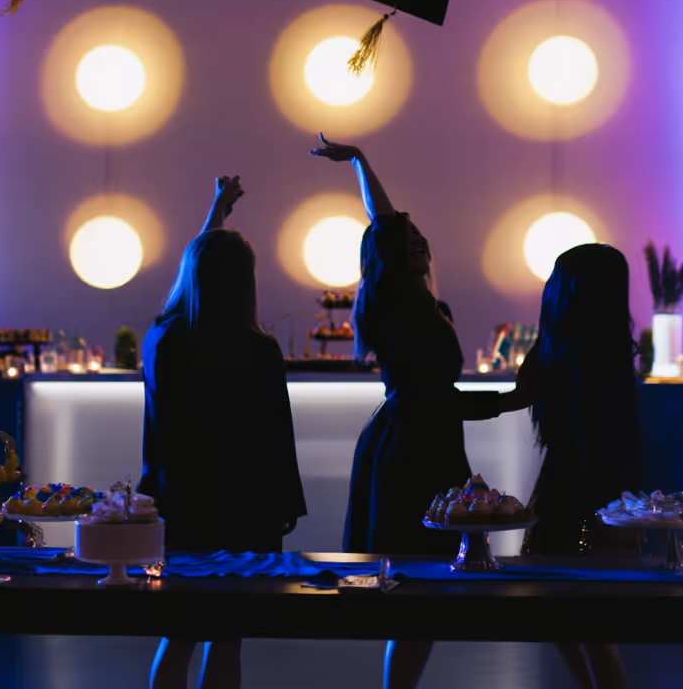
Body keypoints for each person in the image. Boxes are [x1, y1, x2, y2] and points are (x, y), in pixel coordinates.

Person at [310, 134, 532, 689]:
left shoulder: (431, 307)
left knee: (425, 581)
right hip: (412, 442)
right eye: (403, 240)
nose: (412, 242)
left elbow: (441, 397)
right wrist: (360, 161)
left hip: (426, 436)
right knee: (416, 576)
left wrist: (507, 400)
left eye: (417, 238)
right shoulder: (395, 302)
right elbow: (385, 225)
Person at [141, 176, 307, 689]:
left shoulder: (163, 340)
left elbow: (193, 271)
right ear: (245, 282)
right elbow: (278, 433)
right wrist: (287, 503)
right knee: (228, 637)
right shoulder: (258, 349)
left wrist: (217, 211)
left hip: (181, 500)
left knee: (178, 632)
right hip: (247, 504)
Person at [518, 243, 640, 689]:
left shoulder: (570, 353)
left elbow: (526, 390)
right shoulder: (604, 351)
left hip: (579, 494)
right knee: (576, 619)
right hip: (591, 490)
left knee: (580, 620)